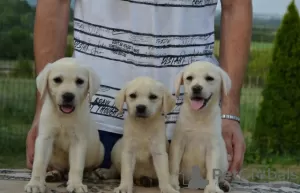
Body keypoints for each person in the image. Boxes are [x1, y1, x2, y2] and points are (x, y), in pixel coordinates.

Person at [26, 0, 251, 177]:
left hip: (192, 128)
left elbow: (235, 5)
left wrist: (228, 112)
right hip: (91, 125)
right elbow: (55, 2)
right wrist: (45, 108)